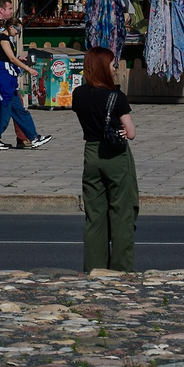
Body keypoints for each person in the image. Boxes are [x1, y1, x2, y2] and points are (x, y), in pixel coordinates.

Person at [75, 46, 137, 272]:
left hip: (91, 153)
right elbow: (130, 132)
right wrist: (120, 128)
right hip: (115, 156)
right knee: (122, 212)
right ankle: (121, 269)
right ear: (102, 67)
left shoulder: (78, 94)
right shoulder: (116, 97)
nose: (114, 69)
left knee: (94, 215)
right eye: (112, 65)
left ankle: (95, 268)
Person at [0, 0, 51, 152]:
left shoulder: (4, 40)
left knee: (20, 110)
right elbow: (12, 58)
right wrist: (28, 69)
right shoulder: (2, 38)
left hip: (8, 80)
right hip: (3, 80)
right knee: (3, 113)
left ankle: (33, 137)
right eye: (18, 30)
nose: (18, 33)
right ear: (11, 27)